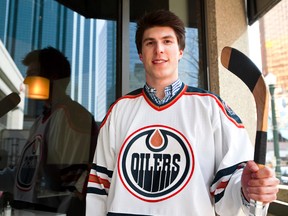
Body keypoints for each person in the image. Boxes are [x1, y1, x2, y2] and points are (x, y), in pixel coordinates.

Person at [85, 10, 279, 216]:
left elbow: (231, 184)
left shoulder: (212, 108)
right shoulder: (119, 111)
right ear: (141, 55)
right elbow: (99, 187)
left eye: (167, 41)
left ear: (180, 51)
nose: (159, 49)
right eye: (150, 43)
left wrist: (248, 189)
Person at [0, 47, 98, 215]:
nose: (25, 82)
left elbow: (73, 189)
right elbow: (24, 176)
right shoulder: (41, 120)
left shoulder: (71, 116)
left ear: (52, 77)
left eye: (32, 74)